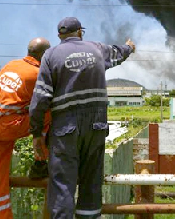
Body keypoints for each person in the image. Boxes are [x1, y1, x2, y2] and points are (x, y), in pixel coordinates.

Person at [29, 17, 136, 219]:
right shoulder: (97, 49)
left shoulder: (50, 55)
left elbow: (41, 98)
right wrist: (129, 47)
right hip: (96, 125)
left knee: (62, 184)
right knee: (91, 180)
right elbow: (119, 52)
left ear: (60, 36)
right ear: (80, 32)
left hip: (65, 127)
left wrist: (36, 132)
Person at [0, 37, 52, 219]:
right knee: (52, 112)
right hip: (6, 126)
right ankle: (41, 162)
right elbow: (42, 106)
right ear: (45, 55)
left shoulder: (12, 65)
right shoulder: (38, 74)